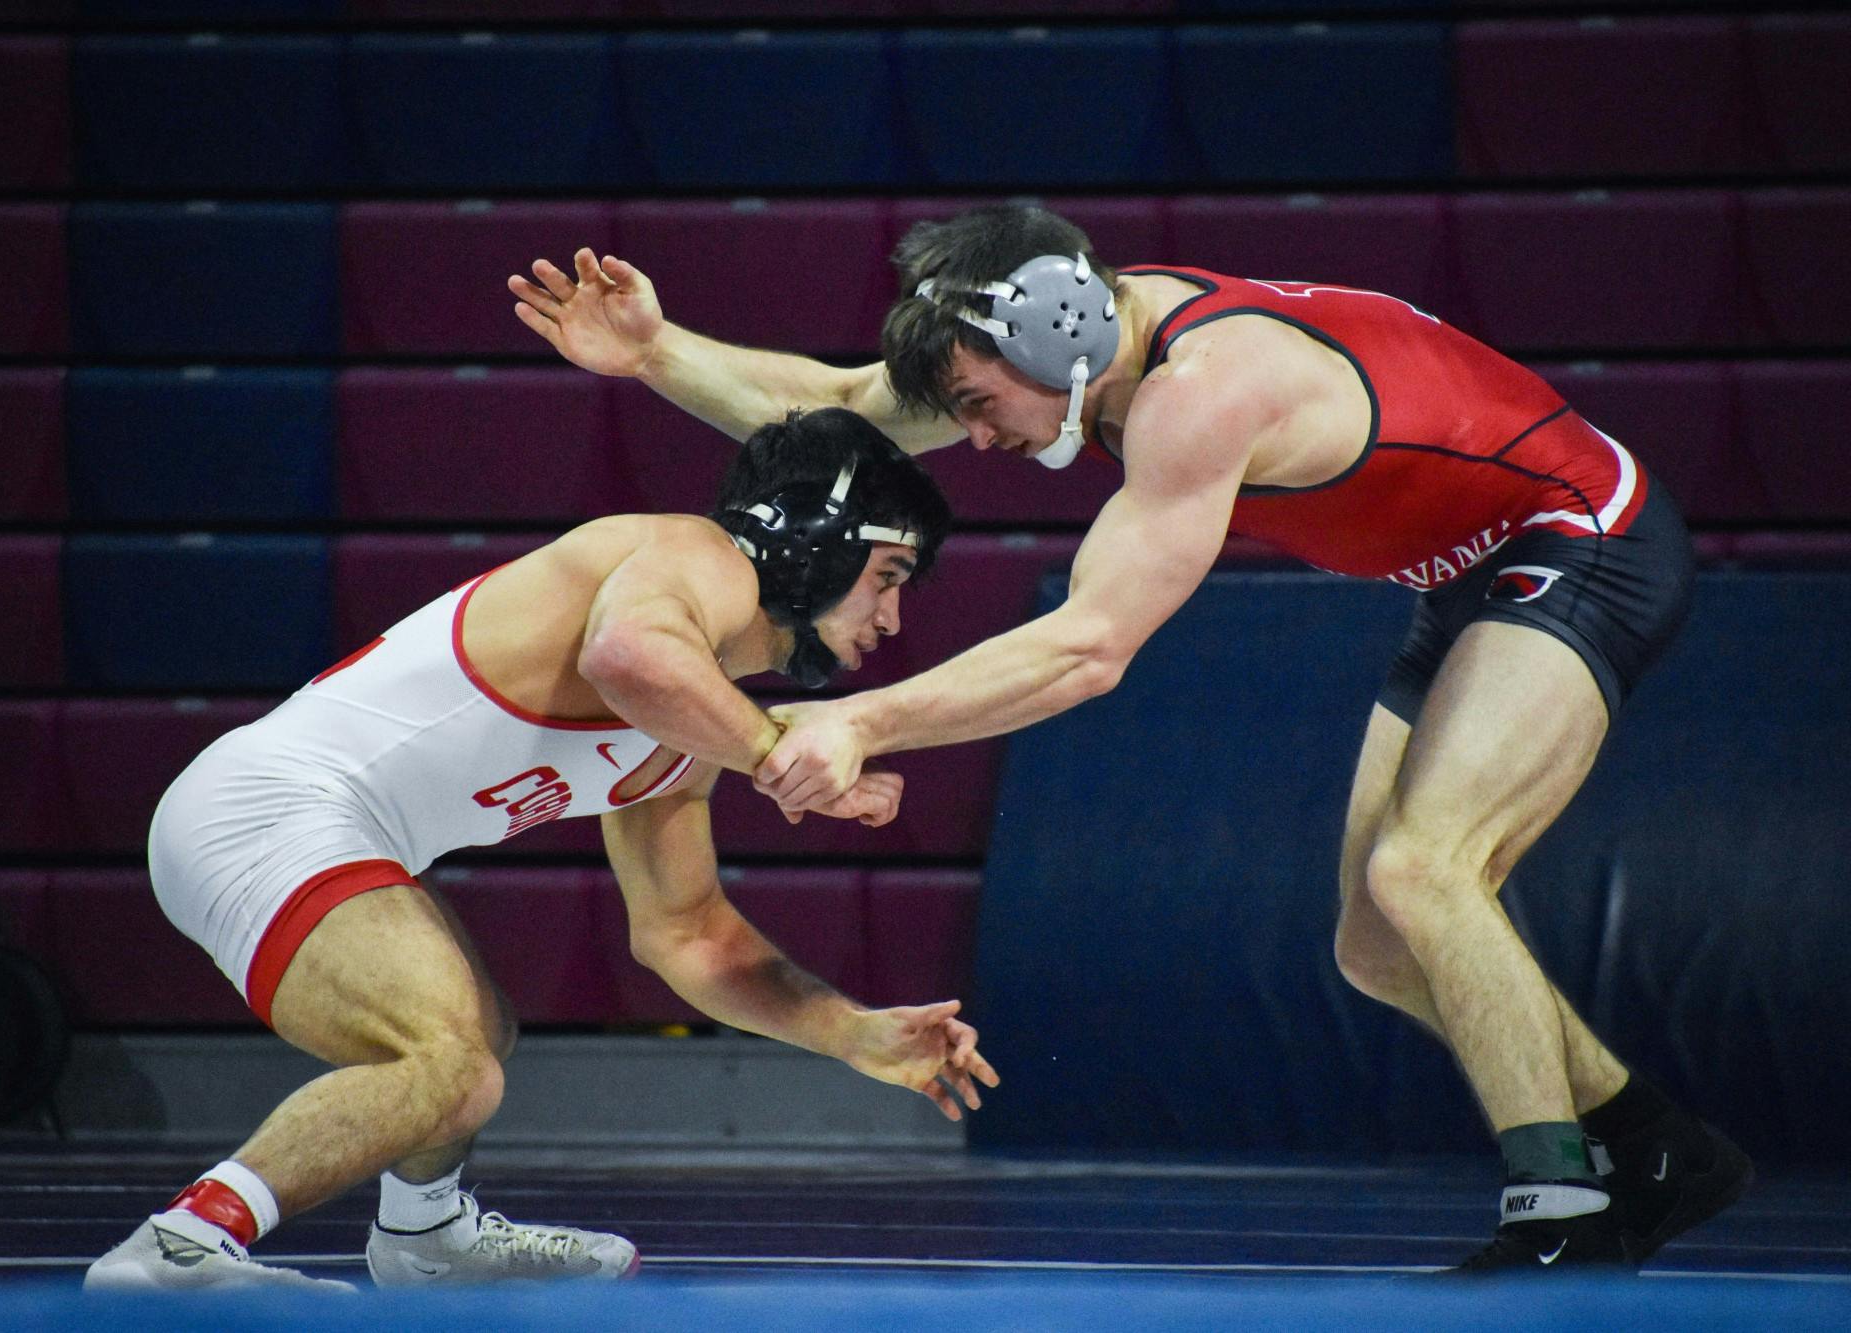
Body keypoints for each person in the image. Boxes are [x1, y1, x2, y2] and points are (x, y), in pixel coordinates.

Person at [509, 205, 1750, 1273]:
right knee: (1377, 944)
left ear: (1056, 333)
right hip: (1468, 571)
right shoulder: (1070, 338)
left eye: (982, 410)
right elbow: (841, 408)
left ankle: (1562, 1207)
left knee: (1423, 870)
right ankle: (1654, 1143)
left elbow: (1087, 649)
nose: (980, 441)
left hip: (1580, 536)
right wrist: (656, 350)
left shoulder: (1202, 393)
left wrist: (859, 715)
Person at [84, 408, 993, 1292]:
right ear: (815, 537)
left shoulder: (695, 718)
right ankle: (181, 1244)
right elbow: (628, 652)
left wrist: (853, 1032)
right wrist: (774, 756)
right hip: (268, 808)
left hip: (330, 826)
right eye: (890, 572)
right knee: (446, 1058)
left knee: (483, 1033)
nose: (893, 619)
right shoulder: (690, 554)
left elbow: (688, 935)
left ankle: (426, 1233)